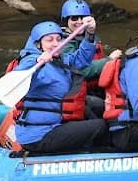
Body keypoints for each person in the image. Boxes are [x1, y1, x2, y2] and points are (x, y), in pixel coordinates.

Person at [11, 20, 107, 154]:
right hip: (39, 135)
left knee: (93, 116)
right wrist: (37, 61)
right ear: (38, 44)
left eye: (58, 39)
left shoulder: (60, 60)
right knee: (100, 126)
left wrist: (90, 34)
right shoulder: (32, 61)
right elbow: (17, 76)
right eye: (49, 40)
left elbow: (82, 60)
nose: (56, 44)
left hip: (54, 125)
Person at [59, 0, 122, 118]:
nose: (79, 22)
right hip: (75, 92)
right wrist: (108, 61)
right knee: (104, 106)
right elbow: (81, 70)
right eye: (74, 18)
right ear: (66, 20)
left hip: (95, 88)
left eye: (82, 18)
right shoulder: (62, 43)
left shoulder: (90, 37)